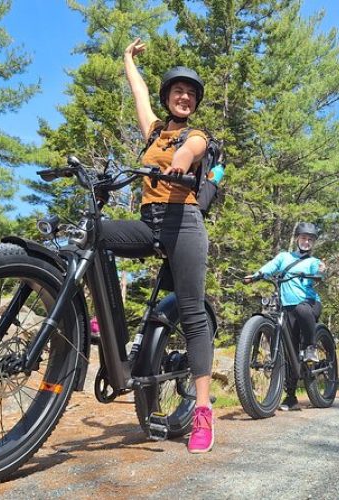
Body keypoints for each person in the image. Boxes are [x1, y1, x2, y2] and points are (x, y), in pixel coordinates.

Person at [98, 38, 214, 453]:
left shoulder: (195, 135)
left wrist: (181, 162)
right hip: (150, 224)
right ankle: (99, 325)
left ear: (194, 103)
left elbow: (194, 149)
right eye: (177, 91)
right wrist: (127, 58)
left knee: (192, 313)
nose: (184, 96)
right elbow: (139, 94)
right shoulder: (155, 131)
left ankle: (202, 412)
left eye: (190, 93)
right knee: (93, 234)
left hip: (185, 225)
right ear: (168, 97)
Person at [243, 222, 325, 411]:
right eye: (304, 238)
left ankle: (311, 347)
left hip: (310, 305)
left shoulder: (312, 262)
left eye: (310, 240)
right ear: (297, 238)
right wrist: (255, 276)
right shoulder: (284, 257)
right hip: (287, 308)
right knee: (289, 351)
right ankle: (290, 397)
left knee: (302, 310)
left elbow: (320, 269)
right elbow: (270, 267)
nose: (306, 242)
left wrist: (321, 271)